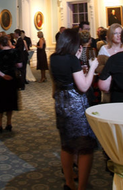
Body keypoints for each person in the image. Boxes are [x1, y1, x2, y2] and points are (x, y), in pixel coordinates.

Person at [50, 29, 99, 190]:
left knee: (67, 145)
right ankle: (82, 187)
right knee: (85, 147)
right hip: (75, 104)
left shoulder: (54, 58)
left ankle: (69, 183)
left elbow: (63, 77)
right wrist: (92, 68)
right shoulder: (72, 60)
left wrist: (76, 60)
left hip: (61, 103)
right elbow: (84, 86)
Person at [0, 36, 22, 132]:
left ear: (0, 44)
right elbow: (19, 65)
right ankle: (9, 123)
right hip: (12, 77)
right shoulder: (15, 52)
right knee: (10, 100)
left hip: (1, 79)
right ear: (9, 42)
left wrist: (3, 75)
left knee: (0, 101)